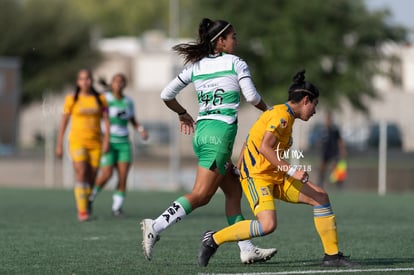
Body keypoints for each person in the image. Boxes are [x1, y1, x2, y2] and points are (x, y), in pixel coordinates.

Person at [140, 18, 277, 264]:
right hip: (219, 136)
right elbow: (251, 96)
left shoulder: (197, 66)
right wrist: (269, 110)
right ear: (220, 41)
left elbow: (166, 94)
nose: (237, 39)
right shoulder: (236, 63)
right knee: (201, 195)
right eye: (233, 36)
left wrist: (182, 112)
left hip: (202, 133)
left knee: (234, 190)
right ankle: (156, 225)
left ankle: (246, 248)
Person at [198, 70, 359, 267]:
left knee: (321, 197)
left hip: (276, 175)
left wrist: (240, 164)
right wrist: (291, 171)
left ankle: (332, 256)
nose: (315, 111)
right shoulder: (281, 116)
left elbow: (251, 138)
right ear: (306, 100)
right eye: (315, 105)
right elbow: (265, 147)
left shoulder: (284, 116)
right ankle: (213, 239)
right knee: (268, 225)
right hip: (258, 177)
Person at [88, 73, 148, 216]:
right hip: (108, 142)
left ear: (125, 85)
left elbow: (133, 120)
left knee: (122, 176)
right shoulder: (106, 100)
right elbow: (98, 118)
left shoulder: (128, 101)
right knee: (107, 174)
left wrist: (141, 130)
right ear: (112, 83)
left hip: (124, 144)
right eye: (116, 81)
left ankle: (117, 208)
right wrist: (102, 138)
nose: (119, 84)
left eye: (122, 82)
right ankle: (89, 198)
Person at [56, 69, 110, 222]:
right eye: (81, 79)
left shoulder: (100, 99)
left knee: (92, 176)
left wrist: (106, 141)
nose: (85, 81)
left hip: (96, 143)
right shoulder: (71, 99)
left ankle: (86, 200)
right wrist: (59, 144)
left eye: (87, 78)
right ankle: (82, 211)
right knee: (81, 172)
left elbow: (107, 121)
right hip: (77, 142)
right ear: (77, 82)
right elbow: (63, 122)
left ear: (91, 81)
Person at [318, 112, 347, 188]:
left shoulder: (335, 130)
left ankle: (339, 183)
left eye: (329, 120)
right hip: (325, 152)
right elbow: (321, 141)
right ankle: (320, 183)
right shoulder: (323, 130)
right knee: (322, 168)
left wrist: (342, 150)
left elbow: (340, 140)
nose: (328, 121)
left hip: (334, 151)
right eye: (327, 120)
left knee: (335, 167)